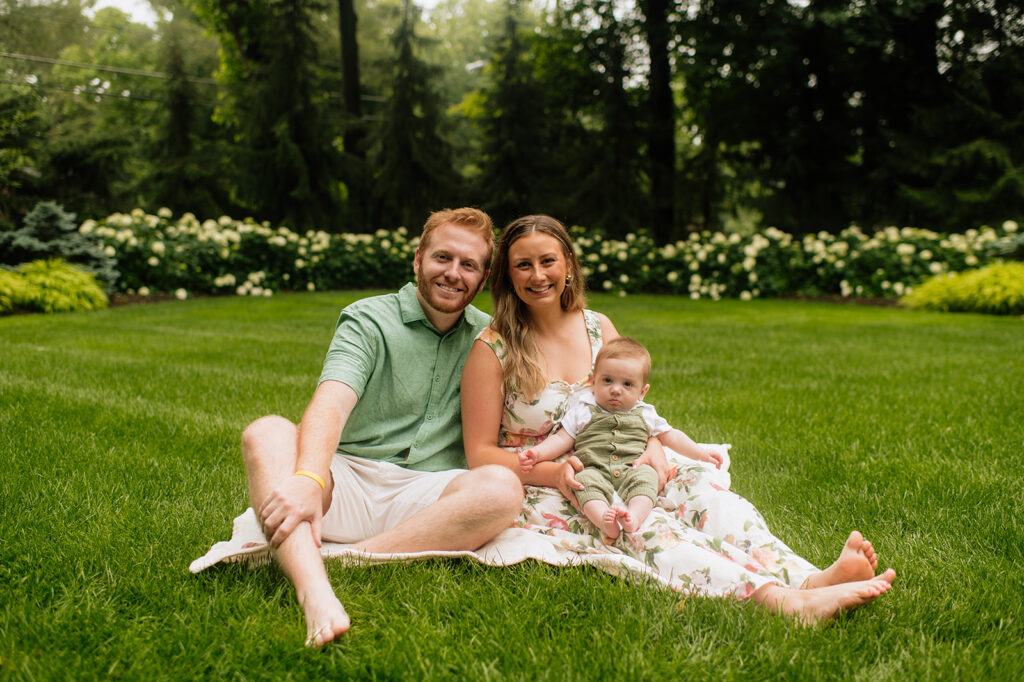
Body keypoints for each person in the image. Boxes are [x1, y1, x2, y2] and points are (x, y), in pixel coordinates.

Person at [461, 214, 896, 624]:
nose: (538, 275)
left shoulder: (596, 327)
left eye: (548, 261)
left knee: (709, 499)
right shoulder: (493, 349)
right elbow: (480, 454)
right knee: (645, 525)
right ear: (507, 276)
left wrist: (652, 448)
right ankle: (780, 601)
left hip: (629, 458)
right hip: (558, 482)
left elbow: (631, 402)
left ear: (569, 265)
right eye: (523, 265)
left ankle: (809, 578)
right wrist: (555, 472)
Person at [241, 207, 524, 647]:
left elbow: (559, 395)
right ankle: (312, 589)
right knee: (266, 432)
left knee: (502, 488)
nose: (453, 273)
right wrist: (310, 479)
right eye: (442, 258)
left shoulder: (490, 337)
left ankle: (355, 560)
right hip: (347, 481)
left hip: (428, 497)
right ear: (417, 260)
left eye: (469, 265)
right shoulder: (368, 319)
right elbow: (332, 402)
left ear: (483, 278)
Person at [518, 336, 720, 542]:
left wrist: (700, 453)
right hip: (593, 468)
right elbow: (562, 439)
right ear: (593, 381)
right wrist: (537, 453)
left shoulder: (646, 413)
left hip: (632, 466)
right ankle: (605, 521)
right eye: (607, 381)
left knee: (647, 478)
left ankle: (634, 516)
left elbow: (673, 436)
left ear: (642, 392)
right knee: (582, 483)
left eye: (627, 384)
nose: (616, 389)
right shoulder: (583, 409)